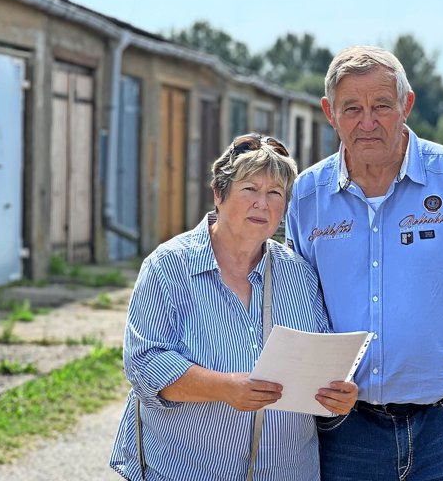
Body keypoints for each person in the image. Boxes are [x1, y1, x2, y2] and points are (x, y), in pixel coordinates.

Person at [285, 46, 443, 481]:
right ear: (330, 113)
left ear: (407, 105)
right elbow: (297, 307)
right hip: (347, 430)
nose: (367, 122)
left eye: (382, 106)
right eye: (352, 108)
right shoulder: (307, 197)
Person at [110, 134, 358, 481]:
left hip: (286, 471)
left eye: (275, 193)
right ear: (219, 194)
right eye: (249, 189)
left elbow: (324, 358)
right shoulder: (168, 266)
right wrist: (224, 387)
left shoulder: (299, 273)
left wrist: (339, 393)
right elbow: (144, 363)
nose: (262, 203)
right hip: (187, 471)